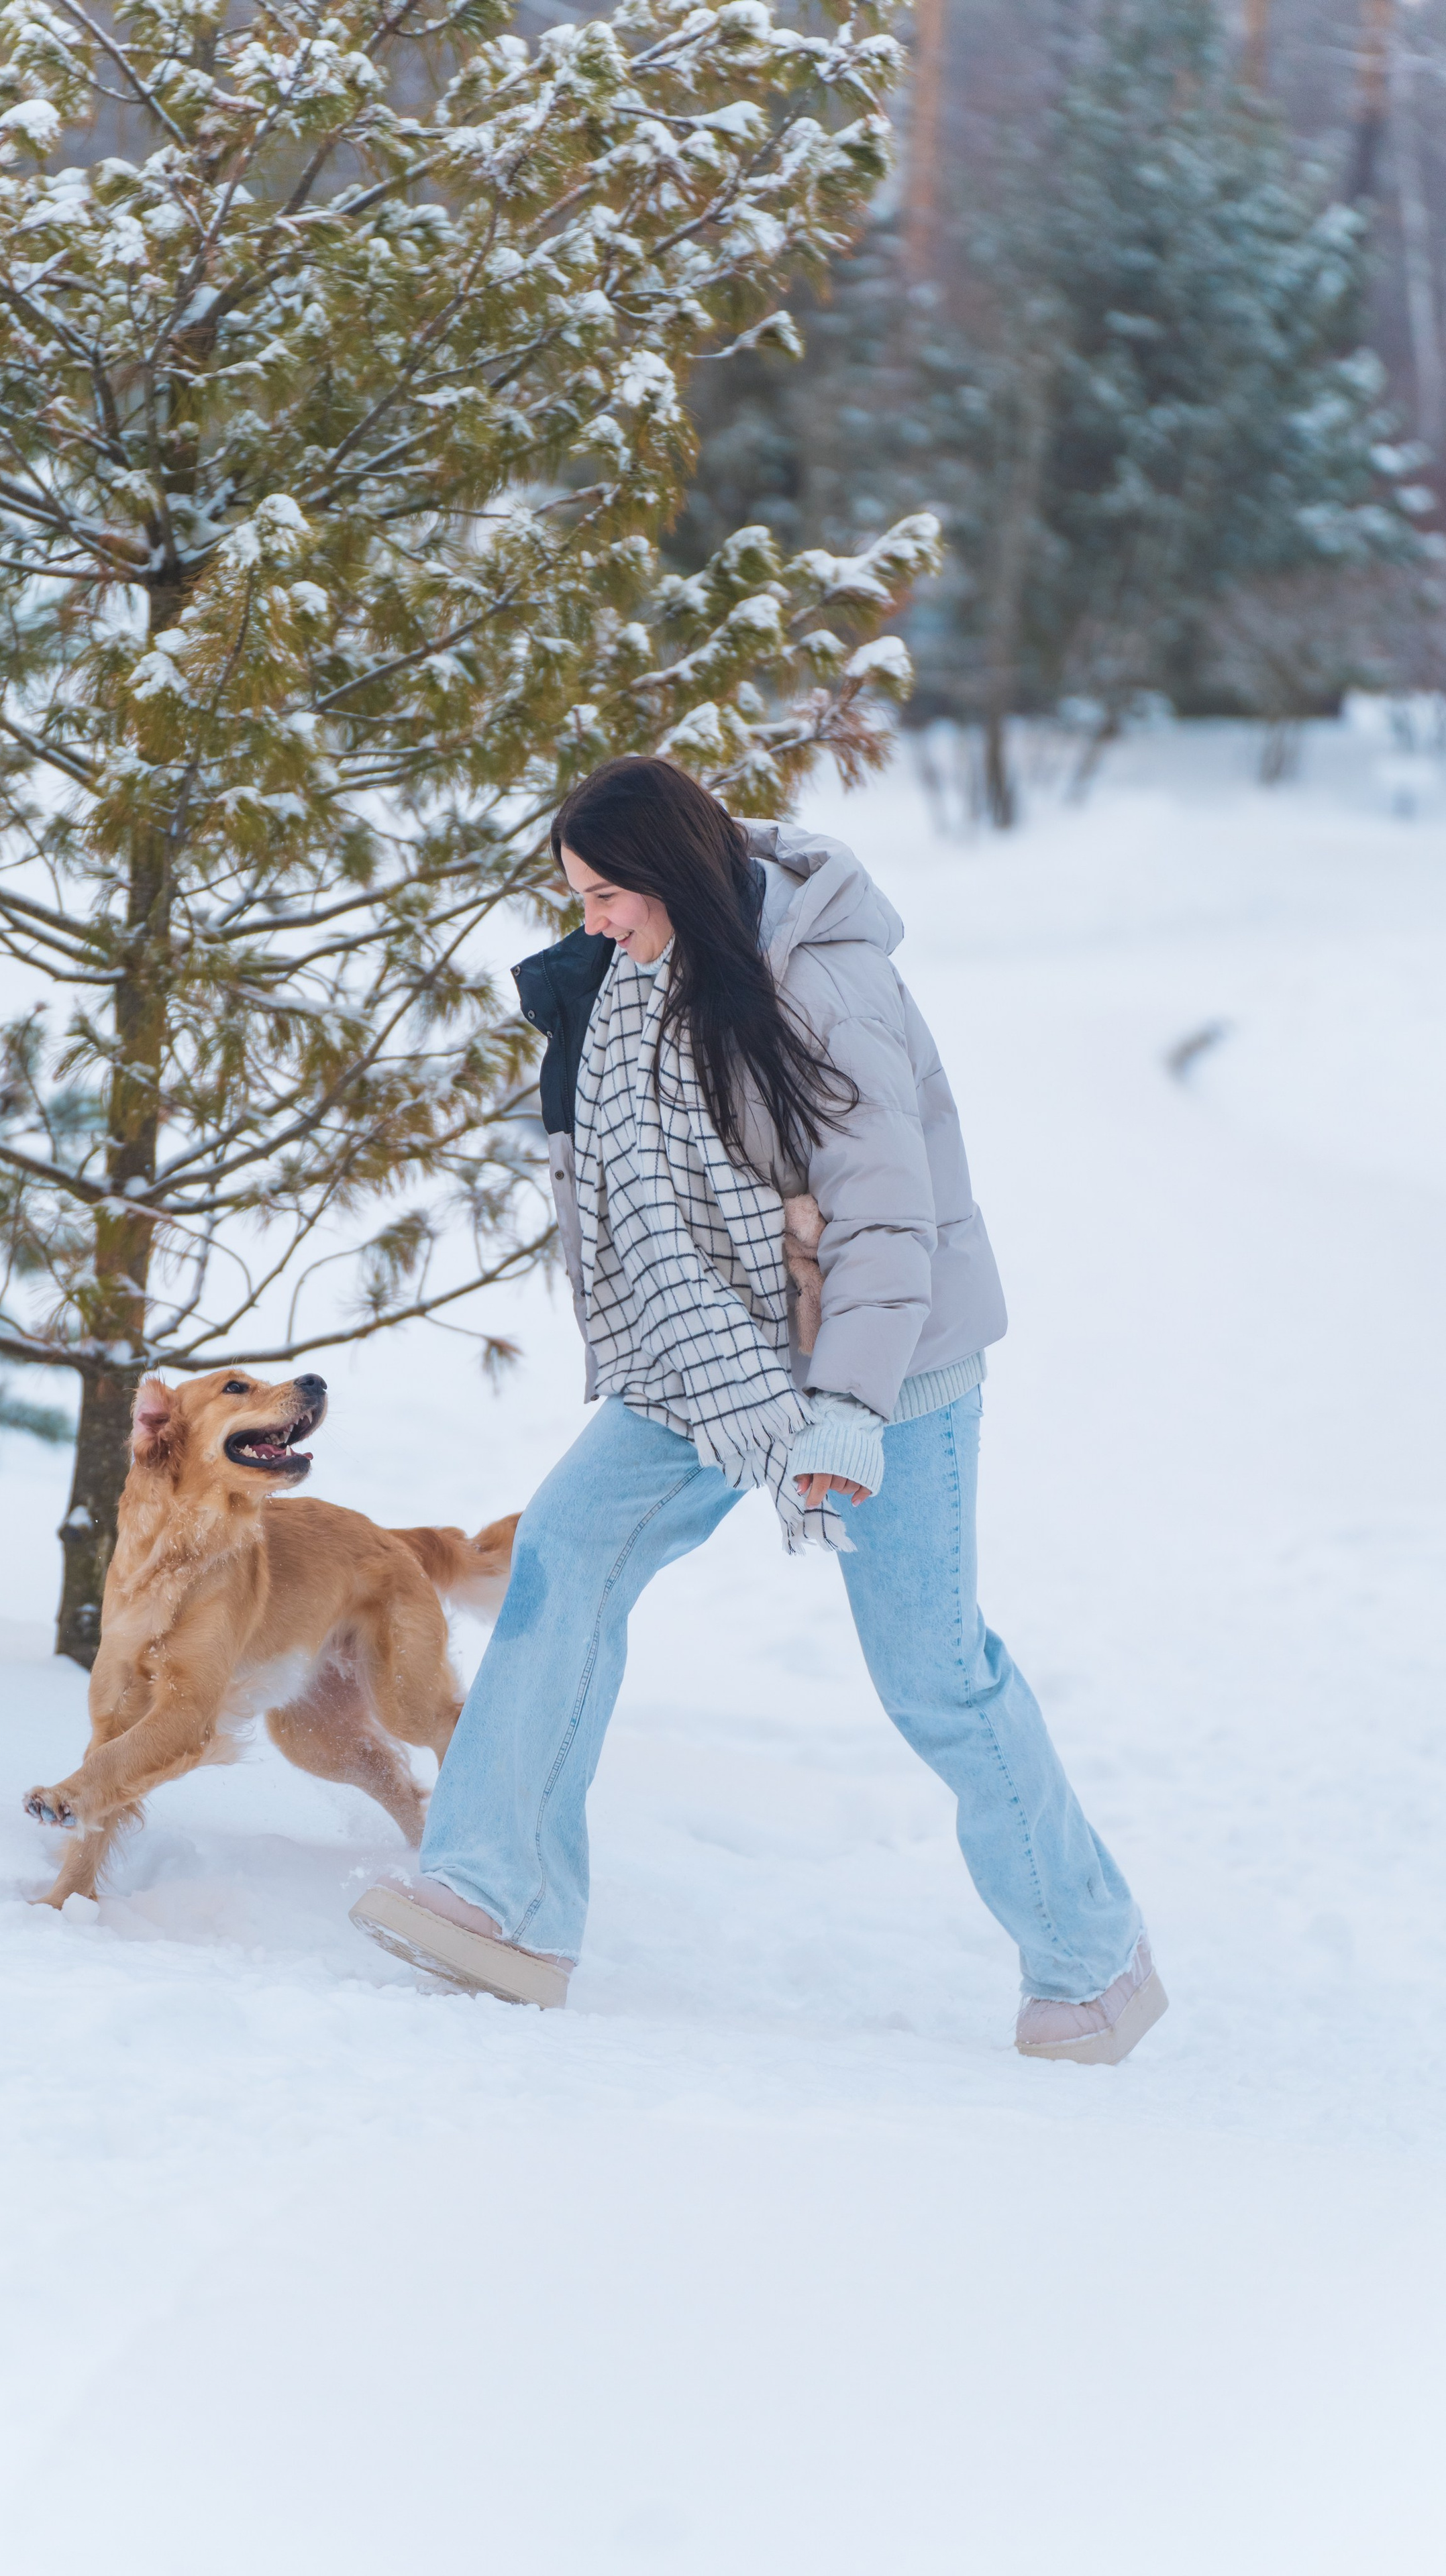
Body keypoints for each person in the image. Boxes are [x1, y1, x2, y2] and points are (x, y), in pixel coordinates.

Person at [350, 757, 1166, 2063]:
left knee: (932, 1674)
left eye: (607, 894)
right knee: (566, 1552)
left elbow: (889, 1218)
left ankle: (1091, 1957)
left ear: (672, 874)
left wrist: (845, 1406)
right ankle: (497, 1898)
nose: (591, 923)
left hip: (885, 1361)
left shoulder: (822, 980)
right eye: (576, 897)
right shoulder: (634, 984)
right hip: (709, 1352)